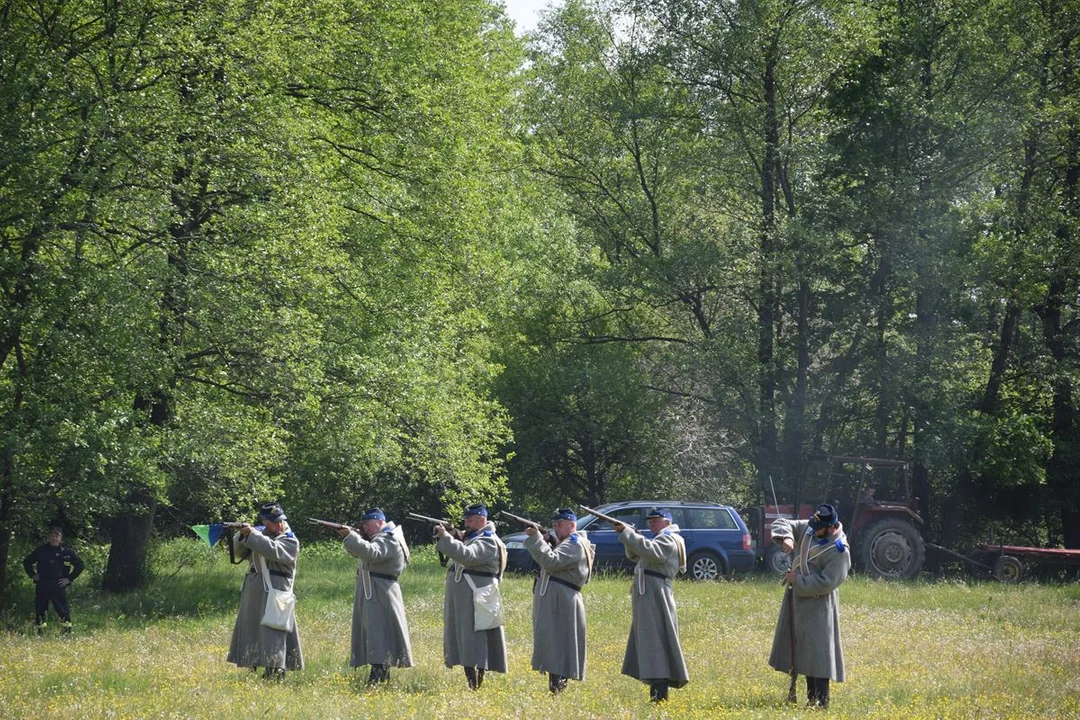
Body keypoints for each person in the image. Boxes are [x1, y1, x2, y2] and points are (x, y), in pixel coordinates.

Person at [768, 503, 850, 709]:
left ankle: (821, 703)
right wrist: (786, 537)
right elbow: (783, 522)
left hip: (820, 604)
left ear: (831, 528)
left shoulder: (839, 549)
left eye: (818, 528)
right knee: (805, 651)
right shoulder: (811, 528)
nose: (813, 530)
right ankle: (810, 700)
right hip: (800, 600)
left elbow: (828, 582)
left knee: (819, 654)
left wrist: (799, 581)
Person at [612, 507, 689, 702]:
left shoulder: (668, 538)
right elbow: (637, 555)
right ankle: (656, 688)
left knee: (657, 639)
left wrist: (628, 533)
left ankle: (659, 691)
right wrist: (629, 536)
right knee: (649, 638)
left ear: (667, 521)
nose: (651, 523)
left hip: (656, 592)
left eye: (656, 520)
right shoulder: (661, 538)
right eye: (650, 520)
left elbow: (652, 552)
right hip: (650, 592)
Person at [434, 503, 508, 690]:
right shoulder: (473, 537)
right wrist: (452, 535)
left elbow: (468, 556)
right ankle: (471, 682)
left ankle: (476, 683)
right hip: (468, 598)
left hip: (478, 598)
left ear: (482, 520)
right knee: (465, 638)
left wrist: (445, 537)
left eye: (470, 520)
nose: (466, 523)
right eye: (465, 520)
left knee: (478, 640)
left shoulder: (488, 540)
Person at [227, 502, 304, 679]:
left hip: (276, 590)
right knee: (251, 628)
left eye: (279, 520)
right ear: (265, 521)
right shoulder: (259, 534)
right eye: (272, 521)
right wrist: (241, 534)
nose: (278, 525)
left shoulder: (290, 539)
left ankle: (276, 669)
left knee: (273, 631)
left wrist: (252, 534)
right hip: (255, 589)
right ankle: (252, 663)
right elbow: (237, 553)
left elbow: (274, 551)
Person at [337, 507, 414, 685]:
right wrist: (353, 538)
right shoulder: (380, 538)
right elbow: (361, 551)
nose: (365, 528)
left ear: (380, 523)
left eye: (368, 524)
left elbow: (373, 553)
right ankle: (379, 675)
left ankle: (378, 676)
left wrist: (351, 537)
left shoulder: (389, 539)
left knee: (381, 635)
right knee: (375, 635)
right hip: (375, 591)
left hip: (382, 592)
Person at [523, 507, 594, 693]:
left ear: (572, 524)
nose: (556, 528)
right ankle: (555, 686)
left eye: (560, 525)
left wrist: (536, 539)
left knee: (559, 643)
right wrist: (548, 540)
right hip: (557, 598)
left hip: (562, 599)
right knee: (552, 642)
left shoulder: (574, 543)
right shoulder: (567, 542)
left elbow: (551, 562)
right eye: (554, 525)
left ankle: (558, 686)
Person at [23, 526, 84, 635]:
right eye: (52, 536)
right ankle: (40, 632)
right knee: (40, 609)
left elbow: (80, 565)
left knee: (62, 610)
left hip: (58, 585)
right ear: (48, 537)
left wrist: (69, 579)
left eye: (56, 536)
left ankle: (66, 632)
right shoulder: (41, 550)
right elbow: (27, 562)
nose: (54, 538)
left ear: (61, 538)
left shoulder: (67, 552)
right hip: (43, 584)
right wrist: (32, 575)